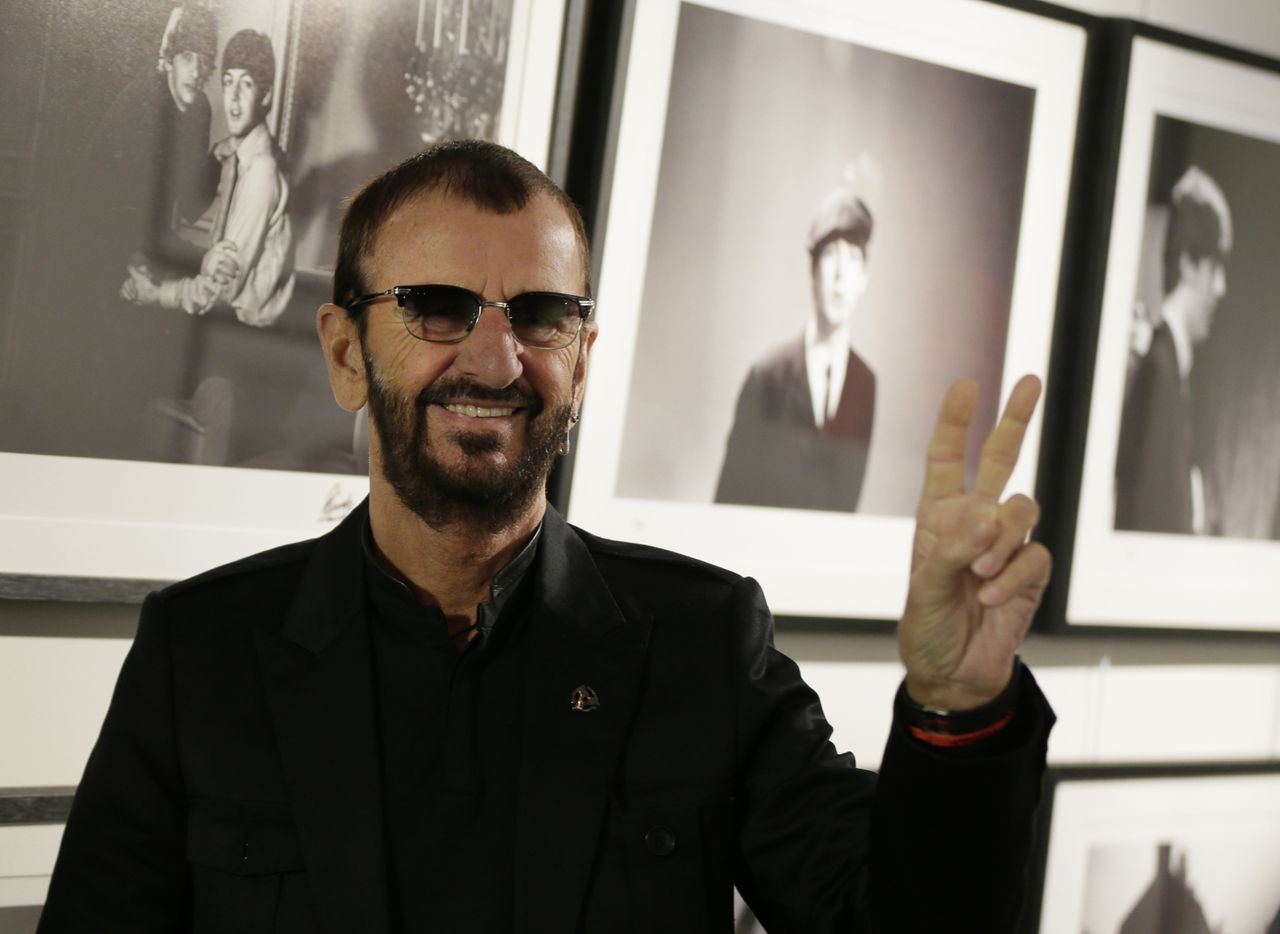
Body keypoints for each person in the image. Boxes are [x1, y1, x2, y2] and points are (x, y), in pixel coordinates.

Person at [39, 141, 1055, 933]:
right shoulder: (202, 653)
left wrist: (957, 706)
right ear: (346, 353)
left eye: (540, 314)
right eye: (436, 308)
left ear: (583, 351)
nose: (497, 356)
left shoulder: (701, 641)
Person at [715, 184, 876, 512]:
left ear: (864, 277)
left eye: (853, 257)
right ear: (813, 270)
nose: (841, 275)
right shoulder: (767, 376)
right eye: (831, 255)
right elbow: (728, 502)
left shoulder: (865, 382)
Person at [123, 28, 295, 327]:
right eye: (228, 82)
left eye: (247, 84)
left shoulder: (260, 172)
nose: (234, 98)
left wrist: (156, 294)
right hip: (227, 317)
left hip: (242, 330)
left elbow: (222, 289)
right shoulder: (236, 157)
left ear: (265, 95)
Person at [1115, 165, 1232, 535]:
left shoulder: (1170, 369)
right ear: (1188, 265)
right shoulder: (1160, 370)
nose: (1221, 288)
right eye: (1215, 268)